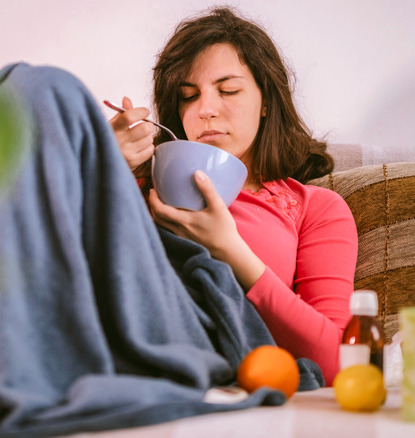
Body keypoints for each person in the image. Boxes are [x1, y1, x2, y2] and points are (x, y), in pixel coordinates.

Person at [109, 7, 358, 385]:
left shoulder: (313, 209)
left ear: (267, 103)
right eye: (188, 97)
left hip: (230, 375)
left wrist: (230, 251)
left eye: (228, 90)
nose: (205, 110)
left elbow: (336, 362)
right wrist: (103, 164)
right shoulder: (140, 185)